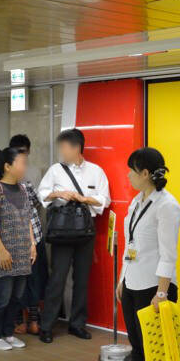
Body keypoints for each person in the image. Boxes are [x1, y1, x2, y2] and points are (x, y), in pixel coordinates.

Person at [114, 148, 180, 361]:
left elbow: (169, 254)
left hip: (155, 287)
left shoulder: (168, 206)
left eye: (132, 170)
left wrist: (162, 293)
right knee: (139, 348)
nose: (128, 174)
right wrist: (122, 279)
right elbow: (131, 245)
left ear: (145, 173)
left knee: (157, 350)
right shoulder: (137, 202)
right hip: (133, 283)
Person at [37, 128, 110, 343]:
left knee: (82, 280)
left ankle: (77, 324)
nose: (61, 152)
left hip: (85, 232)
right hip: (61, 233)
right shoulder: (55, 170)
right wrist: (58, 193)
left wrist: (82, 198)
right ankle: (47, 326)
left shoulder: (96, 171)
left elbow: (105, 200)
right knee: (57, 279)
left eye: (64, 147)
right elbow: (42, 195)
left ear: (77, 148)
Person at [0, 147, 36, 351]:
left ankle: (8, 333)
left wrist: (32, 244)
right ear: (7, 166)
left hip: (22, 254)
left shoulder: (22, 189)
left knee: (17, 297)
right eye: (21, 162)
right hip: (3, 255)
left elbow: (28, 219)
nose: (24, 167)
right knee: (1, 297)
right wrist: (2, 250)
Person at [9, 134, 47, 335]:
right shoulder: (7, 176)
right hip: (18, 238)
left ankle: (32, 320)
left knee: (33, 280)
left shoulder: (32, 173)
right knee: (21, 281)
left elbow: (37, 203)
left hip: (32, 236)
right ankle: (21, 320)